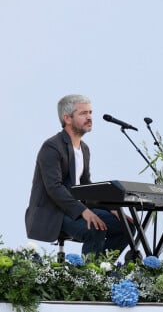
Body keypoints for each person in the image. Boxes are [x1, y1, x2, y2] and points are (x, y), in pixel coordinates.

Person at [25, 94, 132, 257]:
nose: (89, 117)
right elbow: (54, 188)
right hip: (54, 211)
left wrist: (112, 209)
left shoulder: (84, 148)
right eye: (83, 113)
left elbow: (87, 187)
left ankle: (102, 270)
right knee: (94, 227)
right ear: (67, 118)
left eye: (90, 112)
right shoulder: (51, 147)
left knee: (126, 227)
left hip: (74, 208)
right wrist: (83, 211)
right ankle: (87, 278)